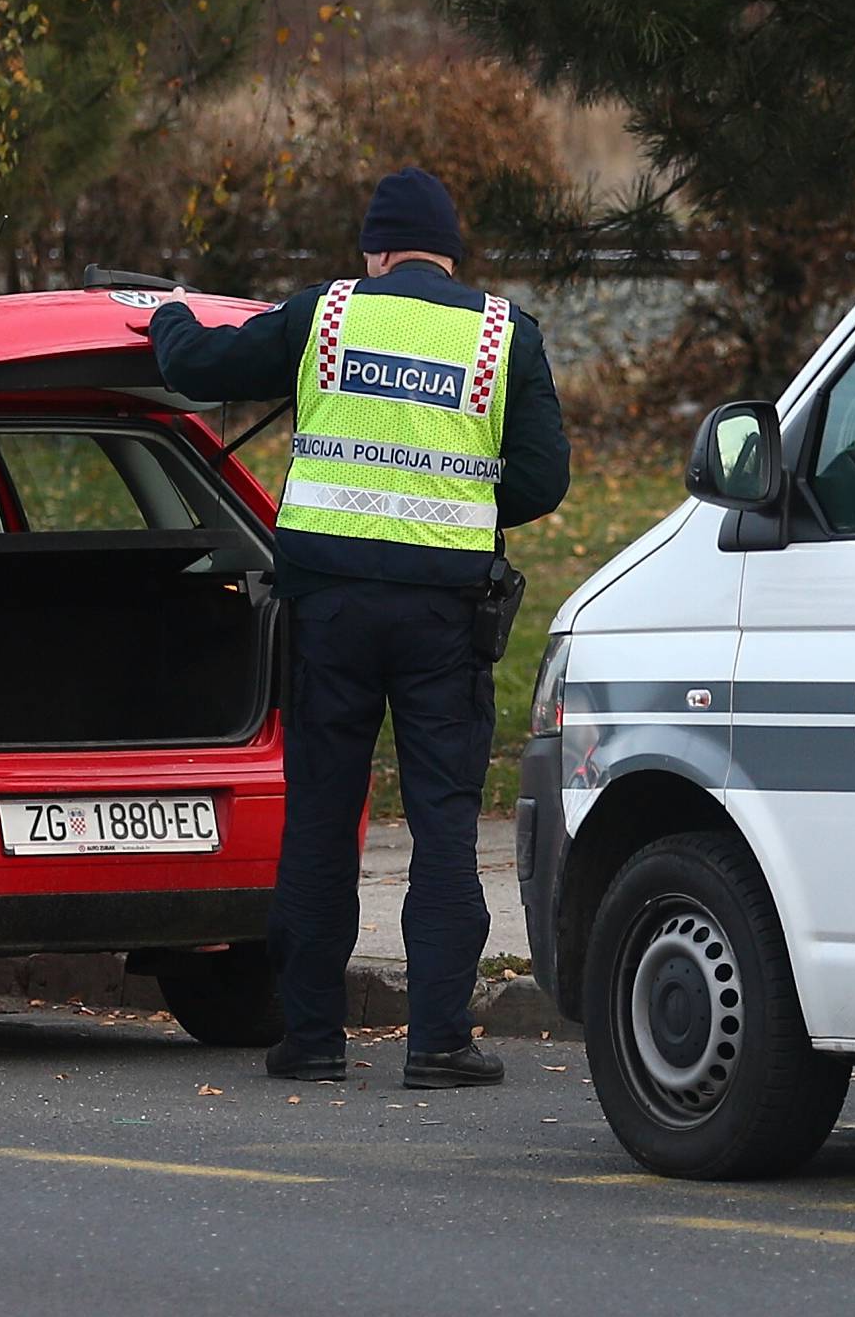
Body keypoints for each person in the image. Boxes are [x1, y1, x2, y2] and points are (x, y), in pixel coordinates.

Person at [149, 166, 571, 1088]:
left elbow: (196, 369)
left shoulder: (325, 316)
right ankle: (439, 1044)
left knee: (321, 821)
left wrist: (170, 312)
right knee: (446, 824)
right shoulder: (505, 334)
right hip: (444, 615)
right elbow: (543, 478)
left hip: (329, 608)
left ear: (374, 250)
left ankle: (309, 1042)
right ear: (451, 254)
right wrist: (454, 497)